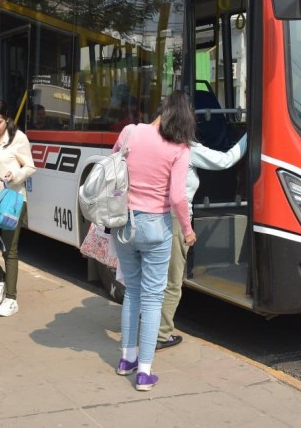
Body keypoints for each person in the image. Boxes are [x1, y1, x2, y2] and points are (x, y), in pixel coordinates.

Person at [112, 90, 196, 392]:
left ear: (161, 110)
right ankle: (145, 372)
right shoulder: (180, 148)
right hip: (155, 227)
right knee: (152, 298)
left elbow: (113, 168)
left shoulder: (130, 132)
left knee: (132, 291)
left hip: (123, 224)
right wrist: (187, 229)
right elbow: (177, 197)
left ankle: (127, 359)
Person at [156, 133, 248, 351]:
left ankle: (143, 327)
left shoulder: (155, 145)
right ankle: (160, 335)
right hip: (174, 221)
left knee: (152, 278)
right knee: (172, 281)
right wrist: (249, 134)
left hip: (149, 218)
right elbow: (225, 160)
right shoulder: (187, 149)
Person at [0, 100, 36, 317]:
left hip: (11, 199)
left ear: (7, 119)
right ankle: (1, 279)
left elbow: (30, 166)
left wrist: (15, 175)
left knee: (9, 250)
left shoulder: (18, 138)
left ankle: (11, 299)